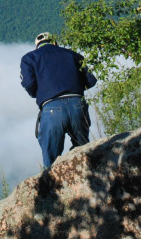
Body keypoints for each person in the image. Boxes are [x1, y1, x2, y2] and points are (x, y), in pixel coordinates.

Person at [19, 32, 97, 169]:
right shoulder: (73, 55)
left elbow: (28, 83)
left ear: (37, 46)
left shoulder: (29, 58)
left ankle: (53, 185)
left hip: (51, 108)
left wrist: (41, 93)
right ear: (55, 42)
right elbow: (91, 80)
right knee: (84, 152)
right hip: (77, 105)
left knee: (51, 162)